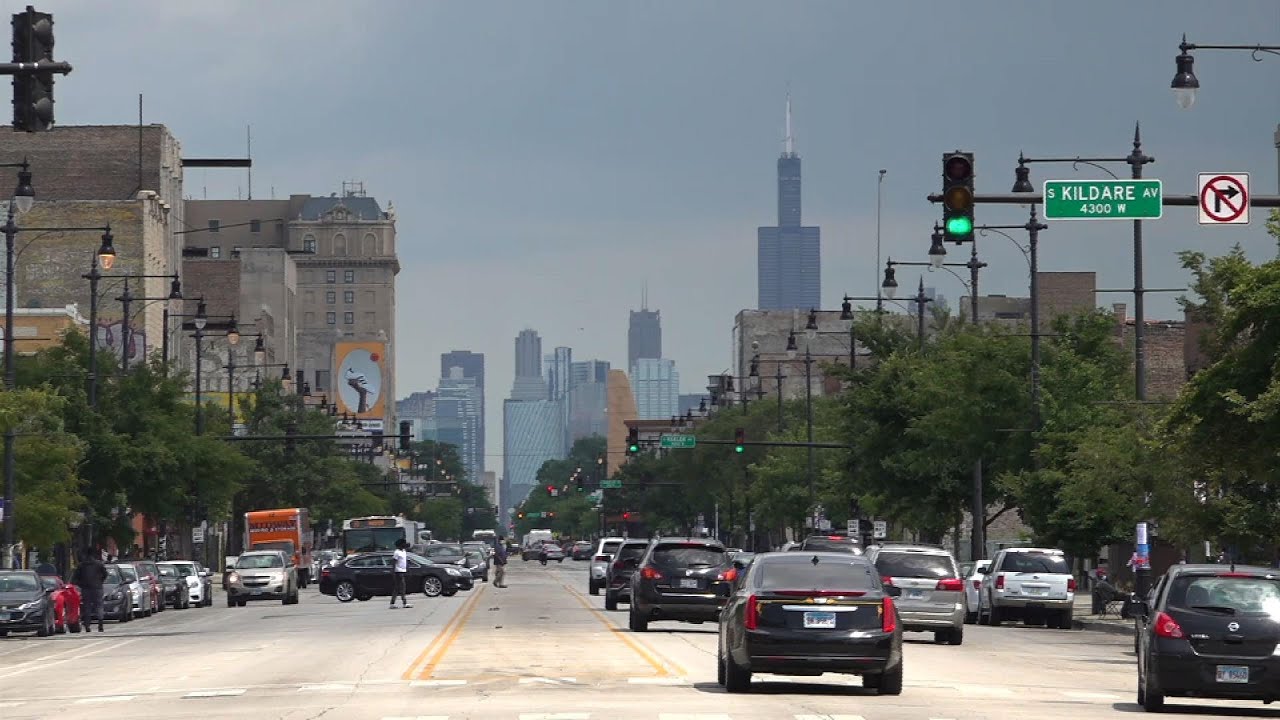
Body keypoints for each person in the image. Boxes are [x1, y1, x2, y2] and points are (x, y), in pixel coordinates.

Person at [72, 550, 108, 632]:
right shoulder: (99, 564)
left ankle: (87, 625)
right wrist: (100, 581)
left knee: (87, 607)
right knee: (99, 605)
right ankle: (100, 622)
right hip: (97, 588)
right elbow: (105, 574)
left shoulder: (82, 565)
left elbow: (76, 577)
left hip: (86, 588)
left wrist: (80, 584)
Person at [390, 538, 411, 609]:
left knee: (397, 588)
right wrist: (393, 572)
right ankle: (404, 603)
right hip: (398, 572)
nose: (405, 544)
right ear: (400, 545)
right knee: (402, 587)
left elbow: (405, 561)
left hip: (403, 571)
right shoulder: (397, 552)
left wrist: (407, 568)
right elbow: (393, 562)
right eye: (404, 543)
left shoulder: (404, 551)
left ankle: (392, 603)